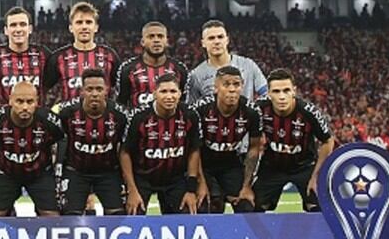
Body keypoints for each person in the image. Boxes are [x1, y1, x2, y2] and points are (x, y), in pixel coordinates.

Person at [120, 72, 205, 215]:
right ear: (154, 94)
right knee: (133, 214)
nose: (169, 96)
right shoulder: (138, 117)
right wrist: (132, 190)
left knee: (188, 212)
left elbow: (194, 151)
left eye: (173, 91)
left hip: (175, 179)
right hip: (143, 177)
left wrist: (191, 189)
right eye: (163, 91)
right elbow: (124, 152)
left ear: (180, 94)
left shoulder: (190, 115)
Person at [253, 69, 334, 212]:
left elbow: (328, 140)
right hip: (272, 167)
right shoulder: (259, 108)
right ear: (269, 93)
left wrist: (316, 176)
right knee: (253, 206)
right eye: (276, 91)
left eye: (286, 90)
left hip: (304, 166)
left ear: (294, 91)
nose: (282, 96)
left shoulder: (308, 112)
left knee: (318, 206)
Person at [0, 81, 64, 217]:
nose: (25, 107)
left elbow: (60, 141)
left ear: (37, 102)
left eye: (30, 102)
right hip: (5, 173)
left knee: (52, 218)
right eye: (19, 102)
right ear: (10, 101)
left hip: (40, 174)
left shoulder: (49, 121)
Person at [57, 68, 130, 215]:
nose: (95, 94)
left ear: (106, 90)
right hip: (76, 171)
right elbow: (60, 141)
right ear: (82, 91)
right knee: (70, 216)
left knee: (117, 216)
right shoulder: (67, 113)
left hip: (109, 172)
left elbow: (124, 146)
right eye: (90, 89)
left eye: (99, 89)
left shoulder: (120, 115)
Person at [190, 66, 263, 213]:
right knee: (208, 205)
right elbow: (193, 148)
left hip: (231, 164)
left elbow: (254, 148)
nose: (232, 89)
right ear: (216, 88)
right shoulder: (200, 110)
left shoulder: (252, 112)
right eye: (226, 84)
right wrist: (201, 182)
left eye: (236, 84)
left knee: (247, 206)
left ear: (242, 87)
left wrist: (246, 186)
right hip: (204, 164)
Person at [44, 2, 120, 102]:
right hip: (69, 117)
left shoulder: (110, 56)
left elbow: (120, 89)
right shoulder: (58, 57)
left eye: (88, 22)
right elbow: (44, 88)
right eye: (79, 22)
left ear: (96, 27)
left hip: (104, 116)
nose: (84, 27)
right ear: (71, 28)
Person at [186, 19, 267, 104]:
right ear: (203, 43)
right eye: (211, 38)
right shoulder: (196, 75)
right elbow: (192, 109)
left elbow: (266, 94)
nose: (216, 41)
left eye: (220, 37)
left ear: (227, 40)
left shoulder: (248, 65)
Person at [0, 7, 50, 105]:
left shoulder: (43, 54)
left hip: (37, 117)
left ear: (30, 29)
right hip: (4, 118)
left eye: (22, 24)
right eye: (13, 25)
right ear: (6, 30)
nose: (18, 29)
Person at [115, 21, 188, 109]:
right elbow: (121, 104)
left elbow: (185, 103)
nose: (156, 40)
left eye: (160, 36)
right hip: (138, 121)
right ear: (142, 42)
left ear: (166, 41)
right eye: (151, 36)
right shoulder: (127, 69)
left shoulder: (180, 69)